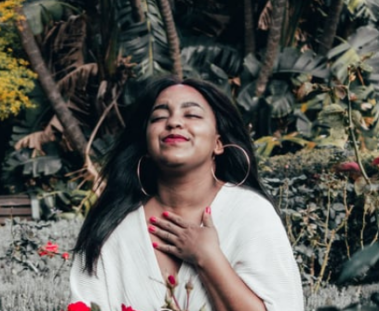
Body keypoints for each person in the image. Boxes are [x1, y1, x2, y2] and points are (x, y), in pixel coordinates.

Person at [69, 77, 304, 311]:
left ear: (218, 143)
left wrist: (207, 257)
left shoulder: (251, 213)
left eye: (191, 115)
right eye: (160, 117)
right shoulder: (111, 225)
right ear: (146, 145)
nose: (174, 122)